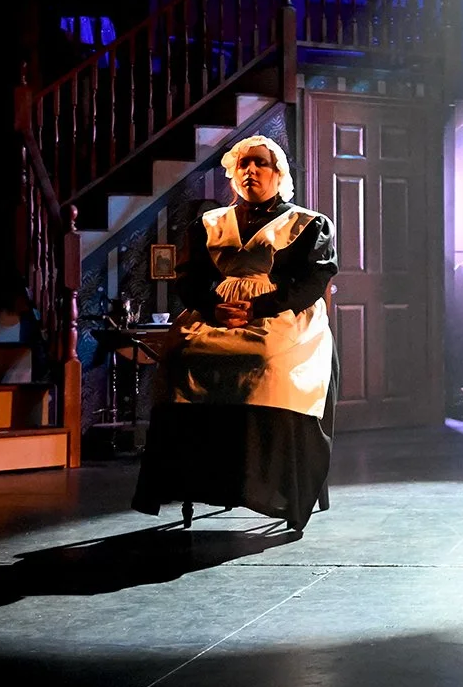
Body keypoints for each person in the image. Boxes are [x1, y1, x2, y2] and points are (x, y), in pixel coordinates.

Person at [133, 135, 338, 531]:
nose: (251, 171)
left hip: (281, 315)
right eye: (243, 165)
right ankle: (204, 476)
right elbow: (188, 279)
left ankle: (270, 484)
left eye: (261, 164)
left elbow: (313, 281)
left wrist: (258, 307)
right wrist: (213, 307)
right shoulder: (210, 223)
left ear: (279, 174)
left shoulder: (307, 224)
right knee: (180, 357)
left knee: (265, 363)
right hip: (220, 315)